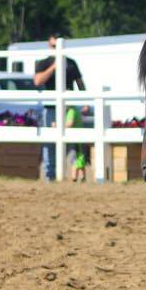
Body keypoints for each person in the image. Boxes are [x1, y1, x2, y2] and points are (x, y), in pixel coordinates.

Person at [34, 33, 85, 180]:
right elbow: (38, 81)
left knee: (74, 142)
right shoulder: (43, 62)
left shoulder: (71, 63)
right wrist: (54, 67)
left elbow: (80, 84)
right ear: (49, 45)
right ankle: (50, 175)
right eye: (54, 46)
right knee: (49, 142)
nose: (56, 48)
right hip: (51, 108)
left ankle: (75, 175)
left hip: (69, 109)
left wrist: (85, 102)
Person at [65, 105, 88, 182]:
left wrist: (59, 126)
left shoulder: (71, 111)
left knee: (75, 159)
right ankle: (82, 177)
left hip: (75, 138)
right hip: (80, 138)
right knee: (80, 158)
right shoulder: (77, 110)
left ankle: (74, 178)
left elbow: (70, 123)